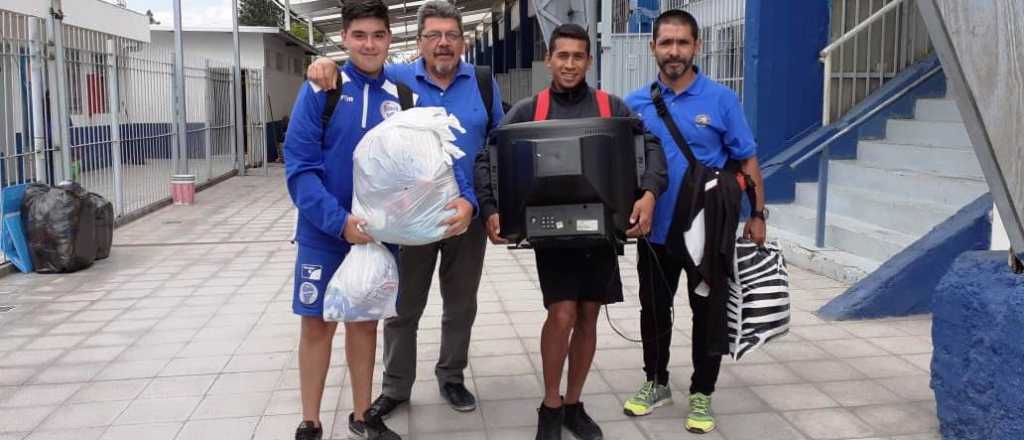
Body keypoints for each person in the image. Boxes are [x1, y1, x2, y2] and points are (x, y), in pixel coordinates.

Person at [284, 1, 476, 439]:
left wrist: (467, 200)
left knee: (365, 321)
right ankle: (310, 422)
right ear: (345, 39)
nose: (369, 44)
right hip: (324, 234)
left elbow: (441, 156)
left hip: (376, 236)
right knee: (317, 323)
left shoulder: (403, 95)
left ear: (391, 39)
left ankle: (361, 415)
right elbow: (300, 169)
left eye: (377, 35)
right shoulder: (322, 90)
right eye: (359, 36)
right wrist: (338, 222)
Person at [475, 24, 668, 440]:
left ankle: (574, 403)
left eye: (578, 56)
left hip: (600, 231)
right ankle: (550, 404)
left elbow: (650, 147)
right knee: (561, 313)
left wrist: (649, 193)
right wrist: (490, 209)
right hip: (551, 231)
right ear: (549, 59)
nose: (569, 64)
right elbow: (488, 154)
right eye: (562, 56)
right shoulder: (532, 108)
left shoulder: (609, 105)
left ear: (589, 61)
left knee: (588, 314)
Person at [620, 9, 766, 435]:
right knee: (654, 309)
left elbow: (747, 158)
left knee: (707, 312)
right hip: (655, 232)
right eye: (666, 43)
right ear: (653, 48)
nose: (674, 51)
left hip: (708, 233)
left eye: (682, 42)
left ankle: (702, 391)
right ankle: (657, 381)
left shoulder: (721, 99)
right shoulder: (636, 104)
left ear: (696, 47)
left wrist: (758, 214)